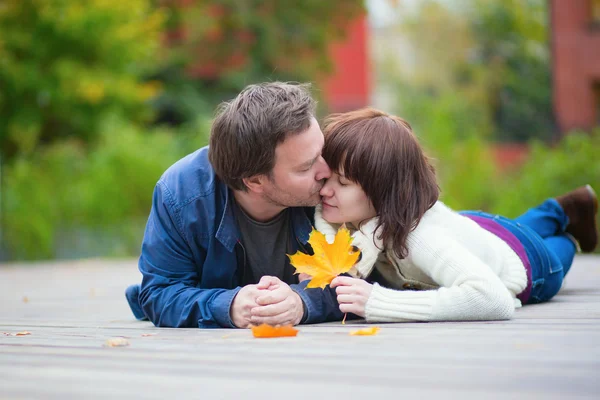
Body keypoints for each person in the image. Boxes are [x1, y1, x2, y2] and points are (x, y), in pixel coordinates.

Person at [312, 107, 598, 322]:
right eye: (326, 178)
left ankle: (567, 227)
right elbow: (323, 225)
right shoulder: (368, 214)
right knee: (514, 228)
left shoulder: (421, 239)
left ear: (382, 192)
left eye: (343, 183)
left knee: (556, 249)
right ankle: (560, 209)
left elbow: (493, 300)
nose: (325, 191)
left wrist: (380, 303)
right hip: (472, 226)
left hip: (527, 261)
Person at [125, 82, 344, 328]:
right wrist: (228, 305)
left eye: (322, 152)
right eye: (306, 167)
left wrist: (303, 302)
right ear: (254, 181)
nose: (326, 170)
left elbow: (370, 277)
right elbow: (159, 294)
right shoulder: (182, 194)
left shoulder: (340, 177)